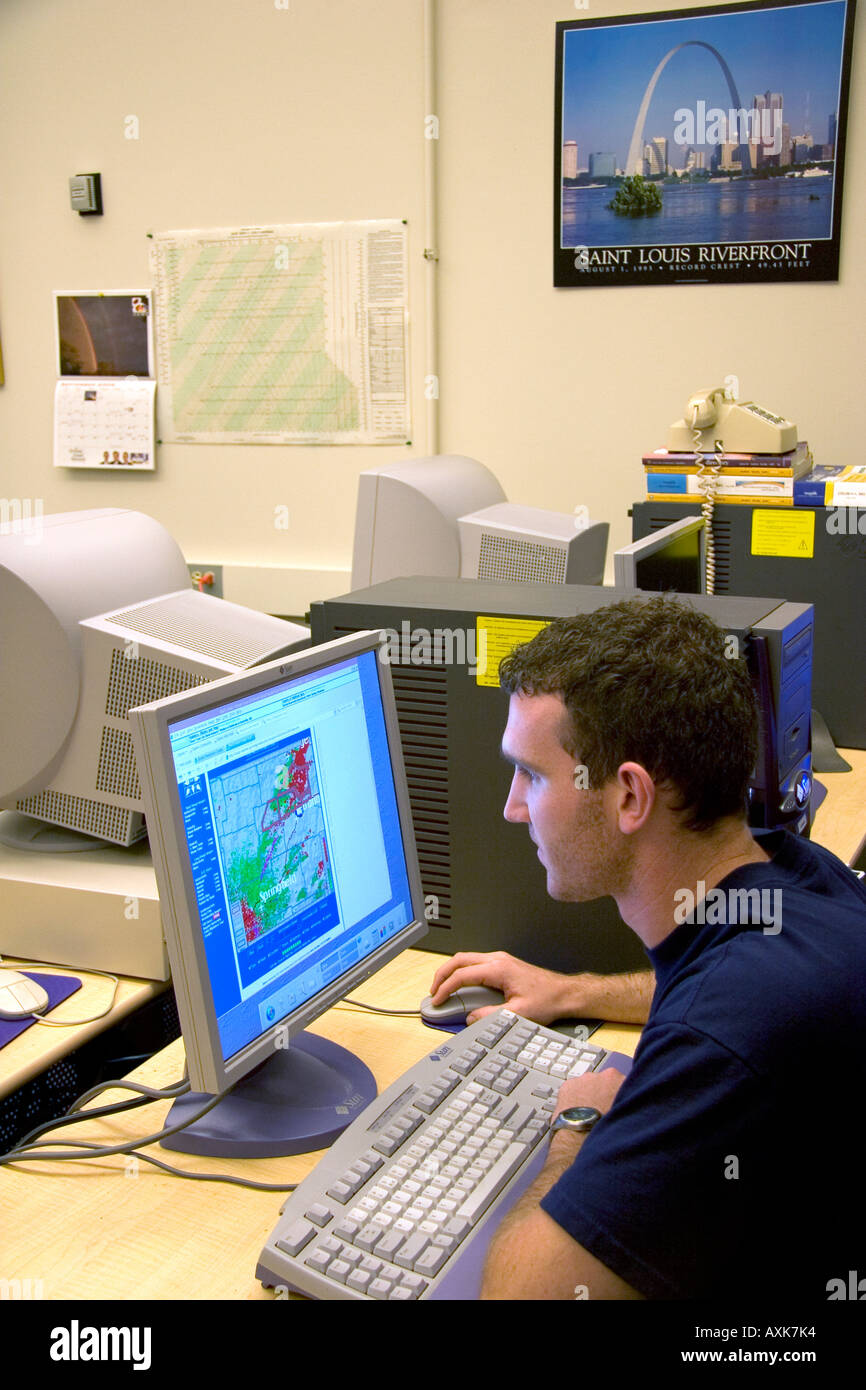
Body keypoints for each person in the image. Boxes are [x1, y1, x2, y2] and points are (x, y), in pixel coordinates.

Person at [427, 596, 866, 1301]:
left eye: (533, 775)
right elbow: (714, 991)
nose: (512, 807)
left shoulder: (724, 1031)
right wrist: (576, 993)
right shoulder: (797, 878)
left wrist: (579, 1125)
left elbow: (520, 1296)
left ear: (629, 797)